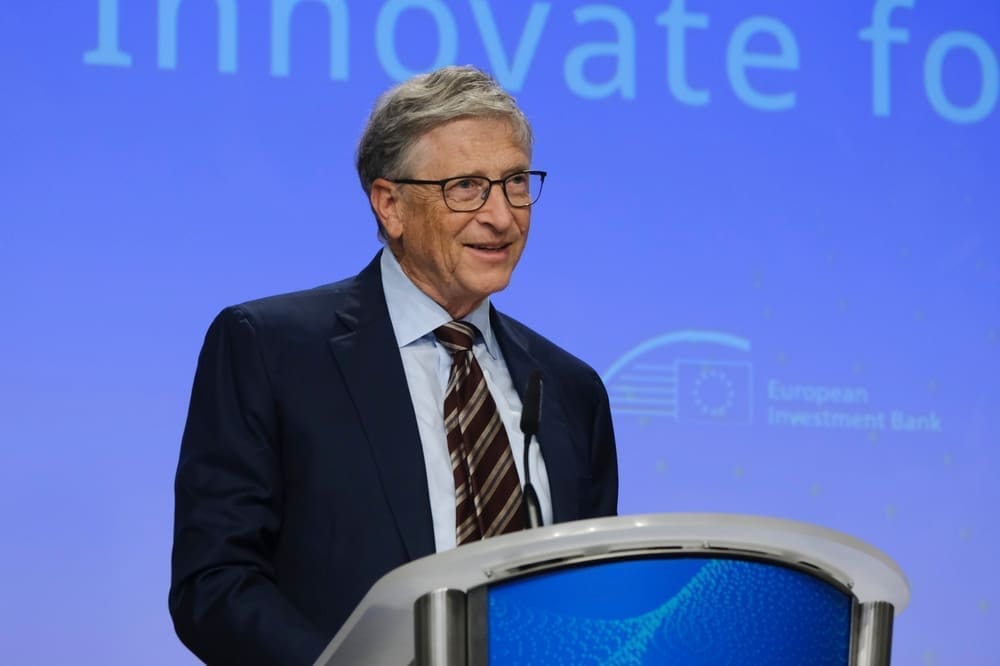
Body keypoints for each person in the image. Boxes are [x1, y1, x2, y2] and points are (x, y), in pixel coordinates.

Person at [169, 65, 618, 666]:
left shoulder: (569, 389)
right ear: (390, 205)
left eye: (515, 182)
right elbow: (215, 583)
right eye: (467, 187)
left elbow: (591, 601)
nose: (503, 216)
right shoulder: (270, 349)